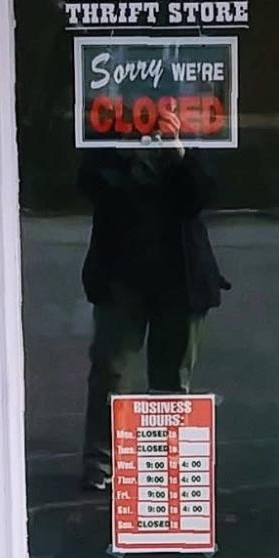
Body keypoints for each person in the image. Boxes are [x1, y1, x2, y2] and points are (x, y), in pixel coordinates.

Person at [78, 104, 228, 490]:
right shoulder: (108, 130)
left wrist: (177, 150)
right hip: (120, 274)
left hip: (179, 275)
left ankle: (161, 461)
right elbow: (89, 187)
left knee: (172, 377)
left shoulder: (193, 130)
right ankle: (103, 462)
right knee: (112, 371)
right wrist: (124, 150)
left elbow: (201, 195)